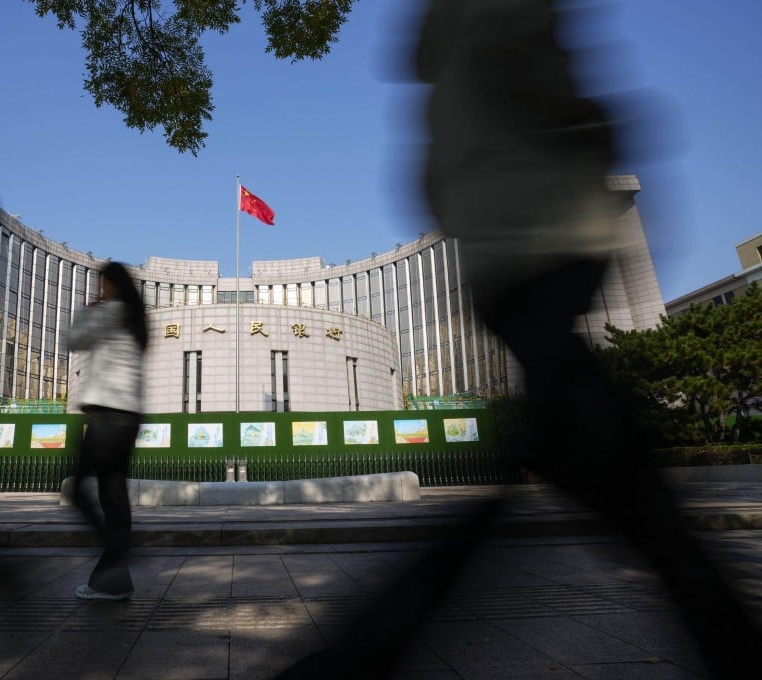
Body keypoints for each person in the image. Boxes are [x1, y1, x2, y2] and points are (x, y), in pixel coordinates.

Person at [274, 1, 762, 678]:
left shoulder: (443, 49)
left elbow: (431, 178)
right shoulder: (498, 19)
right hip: (551, 244)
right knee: (625, 496)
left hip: (500, 262)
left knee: (589, 480)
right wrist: (596, 137)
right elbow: (558, 104)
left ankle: (366, 652)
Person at [67, 261, 148, 601]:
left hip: (105, 417)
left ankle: (121, 551)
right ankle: (113, 580)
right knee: (113, 496)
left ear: (112, 285)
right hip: (129, 417)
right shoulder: (137, 321)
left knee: (78, 490)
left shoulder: (108, 312)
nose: (101, 291)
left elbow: (74, 340)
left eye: (103, 284)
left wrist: (88, 312)